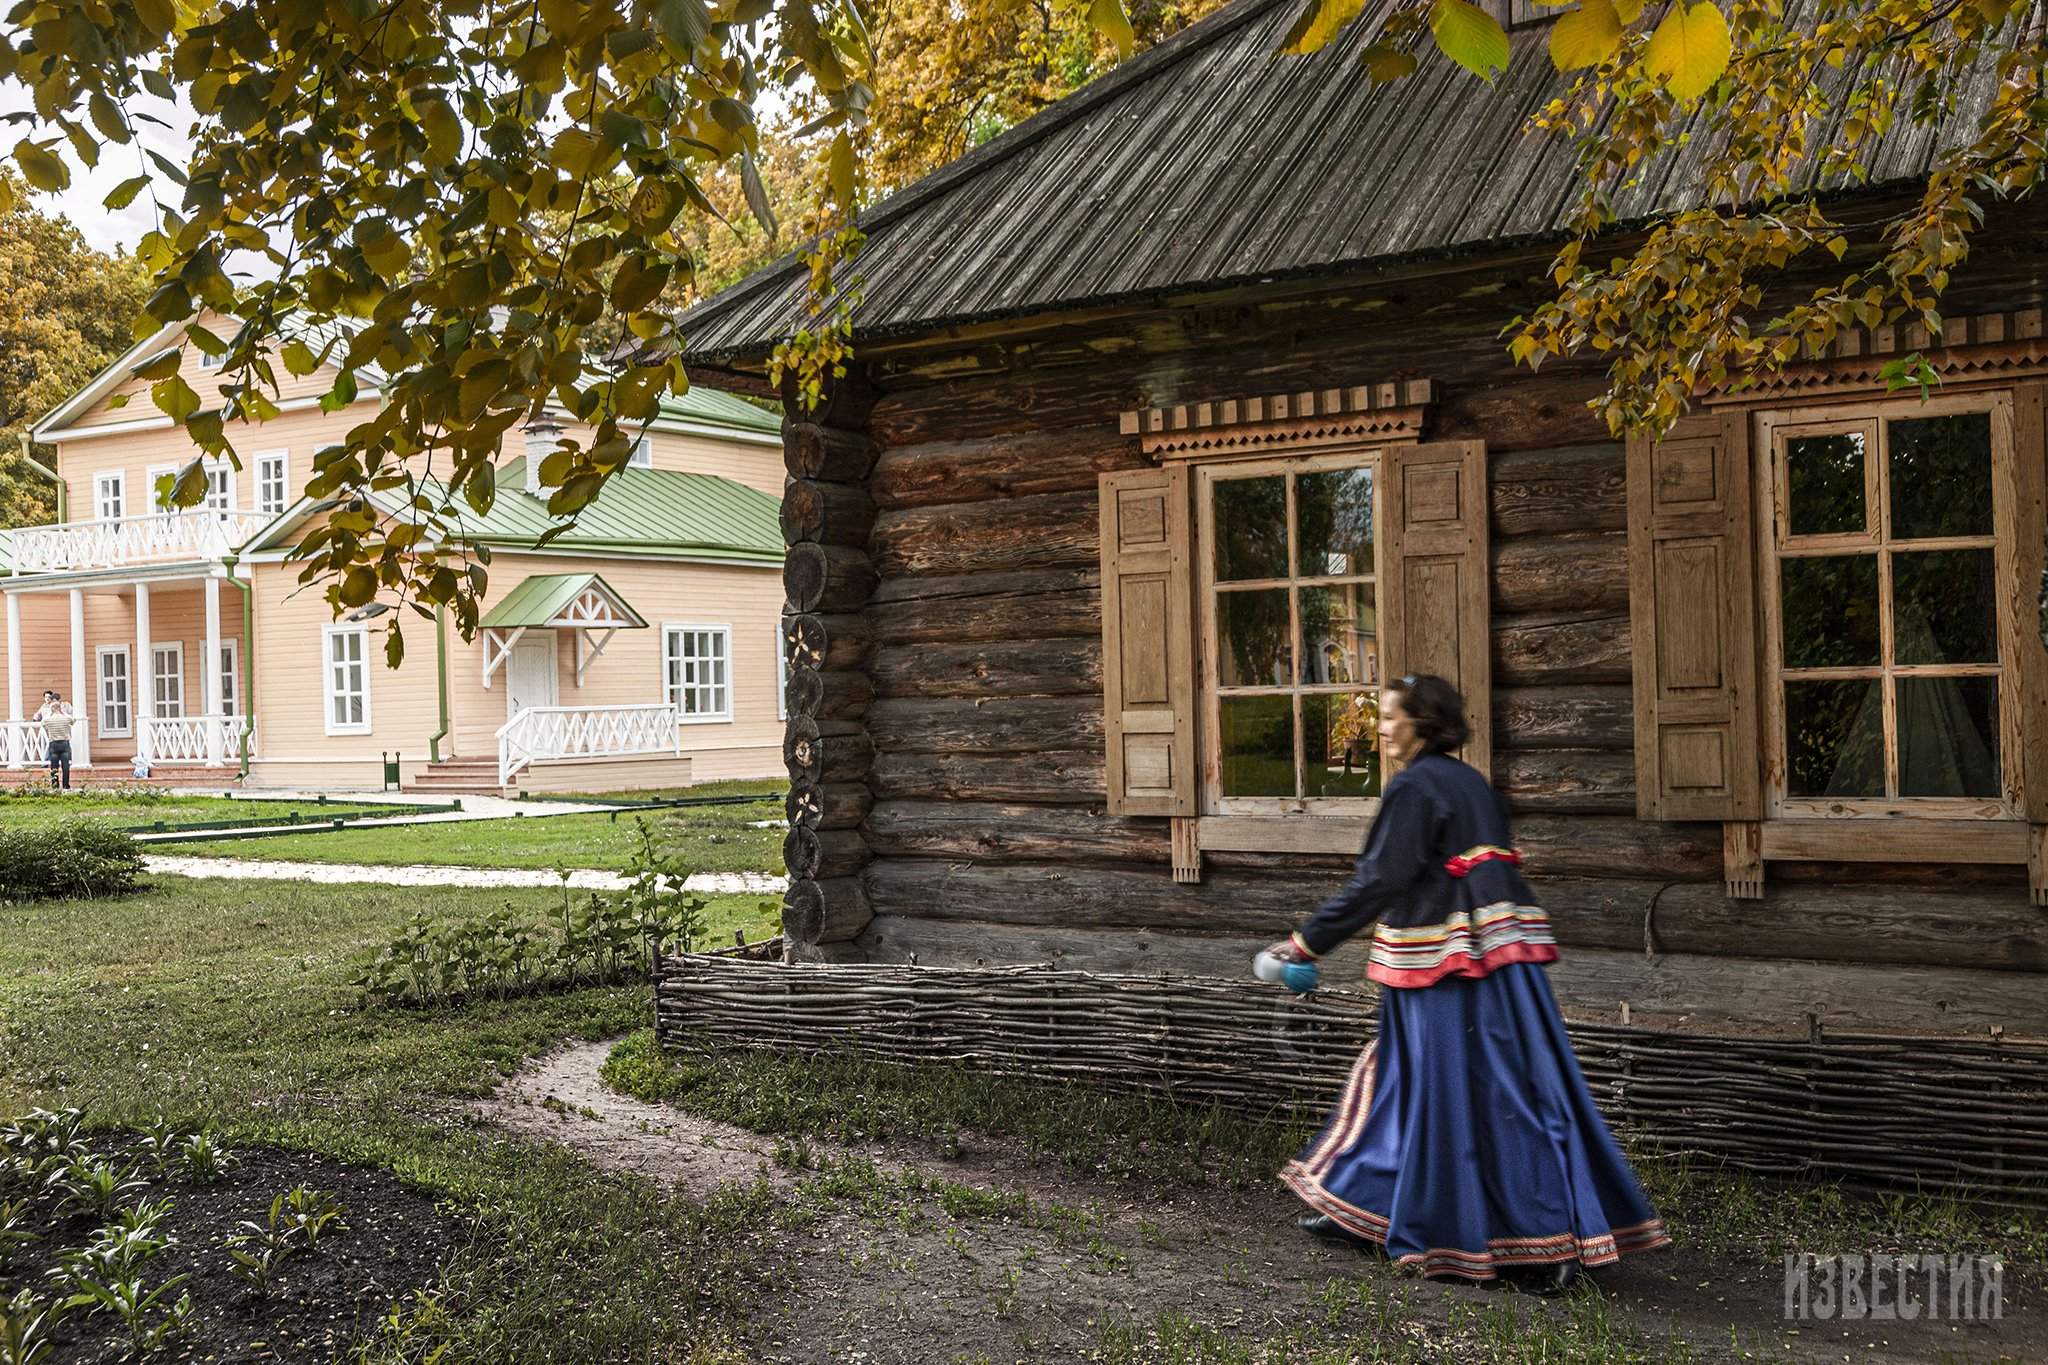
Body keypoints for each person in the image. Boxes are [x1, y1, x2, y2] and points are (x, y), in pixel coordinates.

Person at [1269, 674, 1667, 1294]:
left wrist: (1305, 942)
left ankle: (1538, 1244)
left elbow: (1381, 879)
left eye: (1392, 716)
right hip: (1502, 969)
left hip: (1446, 973)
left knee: (1466, 1095)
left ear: (1424, 724)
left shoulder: (1417, 786)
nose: (1381, 726)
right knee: (1419, 1084)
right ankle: (1370, 1211)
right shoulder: (1470, 783)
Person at [33, 689, 75, 790]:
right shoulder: (66, 718)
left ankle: (55, 786)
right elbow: (73, 720)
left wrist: (51, 714)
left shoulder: (48, 719)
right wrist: (62, 713)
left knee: (54, 766)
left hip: (53, 744)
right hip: (64, 743)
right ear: (60, 708)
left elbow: (43, 723)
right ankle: (66, 786)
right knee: (65, 766)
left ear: (51, 709)